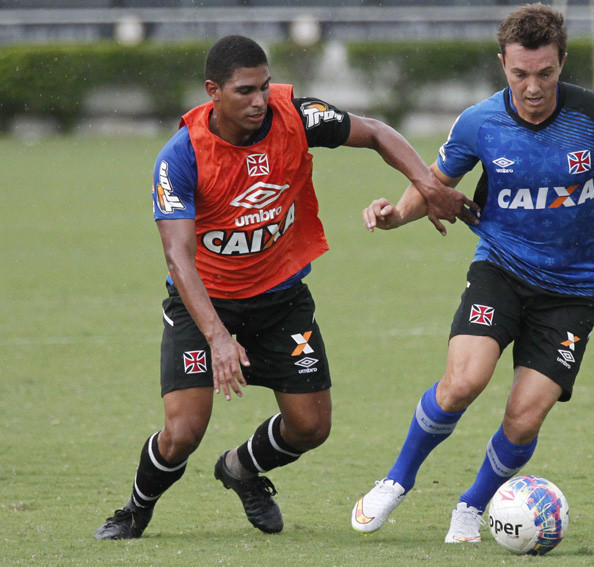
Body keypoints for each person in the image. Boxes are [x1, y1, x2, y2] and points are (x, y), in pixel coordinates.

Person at [94, 34, 476, 540]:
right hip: (204, 304)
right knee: (183, 433)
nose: (260, 101)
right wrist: (217, 338)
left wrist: (428, 186)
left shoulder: (296, 115)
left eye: (265, 86)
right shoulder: (180, 156)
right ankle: (134, 510)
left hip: (281, 299)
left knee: (311, 427)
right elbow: (178, 259)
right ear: (213, 91)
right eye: (245, 91)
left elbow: (376, 132)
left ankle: (241, 469)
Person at [351, 3, 594, 544]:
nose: (533, 87)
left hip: (571, 292)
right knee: (462, 383)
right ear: (503, 63)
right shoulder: (479, 122)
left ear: (562, 61)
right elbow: (434, 184)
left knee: (524, 418)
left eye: (545, 73)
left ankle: (471, 507)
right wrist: (394, 216)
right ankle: (396, 480)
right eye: (520, 73)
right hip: (500, 269)